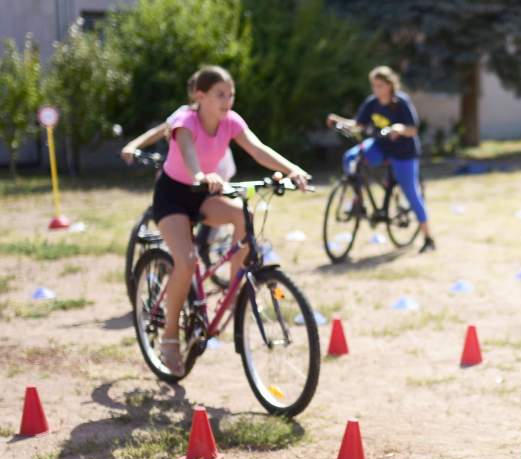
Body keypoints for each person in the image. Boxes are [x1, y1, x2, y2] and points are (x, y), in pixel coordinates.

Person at [153, 65, 309, 375]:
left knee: (243, 216)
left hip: (204, 193)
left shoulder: (231, 122)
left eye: (231, 94)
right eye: (220, 94)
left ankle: (234, 293)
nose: (228, 100)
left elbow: (257, 149)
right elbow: (187, 153)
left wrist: (292, 169)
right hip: (173, 195)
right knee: (185, 260)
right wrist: (200, 175)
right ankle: (169, 336)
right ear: (201, 95)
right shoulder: (186, 121)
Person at [326, 66, 434, 253]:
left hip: (403, 152)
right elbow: (358, 125)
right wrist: (340, 121)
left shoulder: (401, 102)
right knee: (351, 157)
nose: (376, 90)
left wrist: (399, 129)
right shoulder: (372, 103)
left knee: (411, 193)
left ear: (390, 85)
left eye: (380, 85)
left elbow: (413, 129)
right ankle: (358, 203)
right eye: (374, 86)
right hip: (380, 146)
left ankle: (428, 238)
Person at [120, 70, 236, 181]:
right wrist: (133, 145)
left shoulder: (222, 114)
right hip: (189, 172)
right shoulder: (184, 116)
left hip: (218, 168)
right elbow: (158, 131)